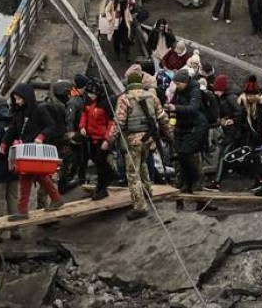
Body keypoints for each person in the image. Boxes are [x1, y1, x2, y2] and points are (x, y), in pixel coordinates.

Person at [109, 69, 171, 220]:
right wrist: (170, 134)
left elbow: (119, 121)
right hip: (149, 139)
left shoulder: (124, 98)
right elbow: (162, 116)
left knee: (132, 173)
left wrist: (110, 140)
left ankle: (139, 206)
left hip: (133, 140)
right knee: (143, 163)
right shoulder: (151, 96)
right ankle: (148, 192)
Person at [4, 84, 63, 220]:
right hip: (27, 149)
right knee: (38, 175)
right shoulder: (19, 111)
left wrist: (41, 136)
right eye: (15, 99)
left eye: (19, 99)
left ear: (26, 97)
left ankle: (23, 210)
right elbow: (13, 128)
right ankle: (56, 199)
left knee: (27, 177)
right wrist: (5, 141)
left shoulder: (39, 109)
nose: (17, 102)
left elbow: (51, 126)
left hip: (36, 150)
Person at [165, 71, 208, 205]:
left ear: (185, 81)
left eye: (179, 83)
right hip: (182, 127)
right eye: (175, 83)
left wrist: (175, 107)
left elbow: (193, 108)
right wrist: (171, 123)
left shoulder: (195, 91)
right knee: (181, 157)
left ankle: (194, 179)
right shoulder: (178, 91)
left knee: (185, 154)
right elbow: (173, 110)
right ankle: (188, 185)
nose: (177, 86)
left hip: (196, 126)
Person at [78, 81, 115, 200]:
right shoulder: (88, 102)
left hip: (101, 139)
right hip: (91, 137)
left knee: (100, 163)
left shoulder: (105, 104)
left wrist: (107, 139)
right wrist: (82, 127)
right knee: (96, 159)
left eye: (93, 94)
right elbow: (84, 114)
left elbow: (111, 123)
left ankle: (102, 188)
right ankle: (109, 176)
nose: (90, 96)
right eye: (89, 93)